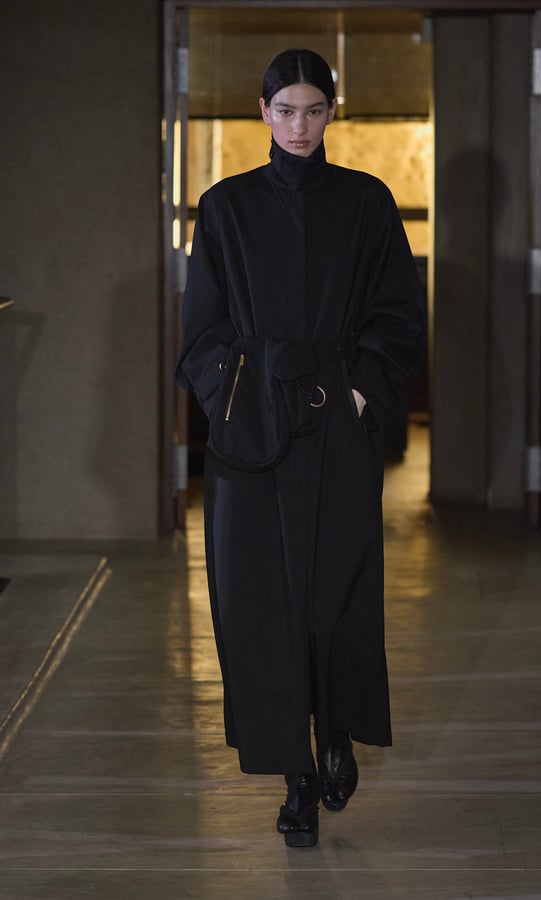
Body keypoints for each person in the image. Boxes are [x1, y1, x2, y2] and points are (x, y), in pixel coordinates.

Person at [176, 48, 425, 848]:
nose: (299, 126)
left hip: (337, 427)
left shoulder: (365, 202)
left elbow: (398, 314)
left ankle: (336, 731)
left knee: (336, 597)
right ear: (263, 112)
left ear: (331, 113)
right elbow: (201, 332)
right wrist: (240, 400)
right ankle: (296, 779)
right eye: (285, 110)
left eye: (314, 110)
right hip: (252, 440)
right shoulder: (224, 209)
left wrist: (358, 393)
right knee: (262, 607)